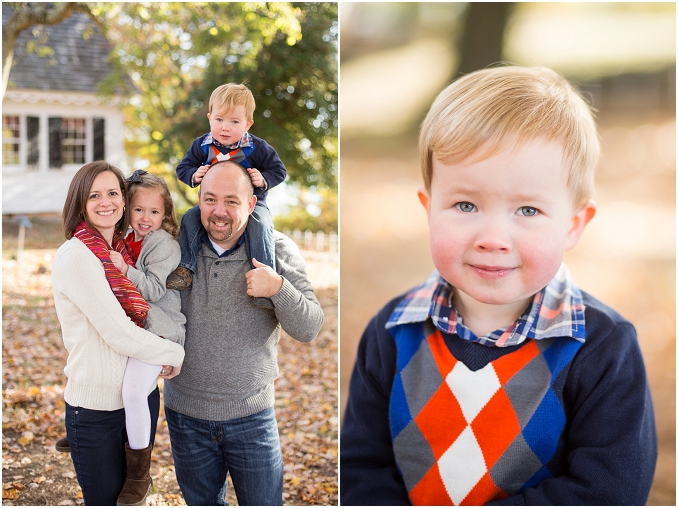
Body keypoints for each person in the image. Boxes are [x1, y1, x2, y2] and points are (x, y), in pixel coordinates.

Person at [340, 66, 657, 506]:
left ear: (573, 225)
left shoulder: (602, 346)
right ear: (428, 209)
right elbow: (359, 469)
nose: (492, 238)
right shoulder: (393, 332)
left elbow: (609, 490)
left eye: (527, 210)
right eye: (465, 204)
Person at [163, 160, 324, 506]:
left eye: (232, 201)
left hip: (251, 418)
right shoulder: (177, 251)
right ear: (198, 200)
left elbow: (310, 326)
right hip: (185, 415)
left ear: (251, 204)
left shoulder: (277, 250)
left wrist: (278, 287)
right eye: (209, 200)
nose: (218, 211)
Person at [52, 161, 185, 505]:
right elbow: (119, 333)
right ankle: (77, 435)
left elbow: (151, 300)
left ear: (123, 201)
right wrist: (173, 353)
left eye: (112, 192)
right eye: (94, 195)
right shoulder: (78, 257)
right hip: (97, 409)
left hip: (137, 395)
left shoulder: (122, 251)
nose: (105, 201)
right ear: (80, 202)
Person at [166, 82, 287, 300]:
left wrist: (264, 178)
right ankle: (185, 267)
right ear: (210, 118)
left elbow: (279, 170)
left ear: (247, 124)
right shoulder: (201, 145)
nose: (225, 127)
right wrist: (194, 175)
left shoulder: (257, 147)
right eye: (219, 120)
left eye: (234, 121)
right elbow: (182, 168)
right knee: (191, 217)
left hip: (253, 204)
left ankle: (264, 275)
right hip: (213, 204)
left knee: (261, 223)